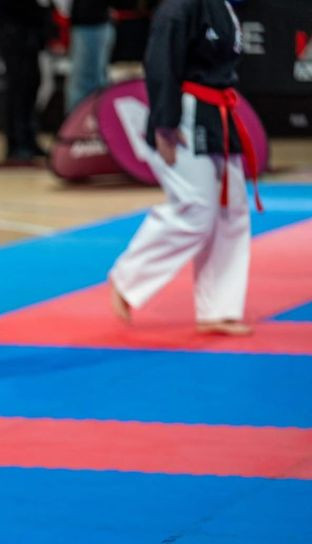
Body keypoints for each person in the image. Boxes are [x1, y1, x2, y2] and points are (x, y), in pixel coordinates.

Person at [108, 0, 260, 336]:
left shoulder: (222, 5)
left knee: (231, 211)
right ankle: (128, 276)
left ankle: (219, 308)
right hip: (184, 115)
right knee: (196, 207)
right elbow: (160, 64)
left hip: (218, 111)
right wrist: (165, 123)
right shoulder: (178, 7)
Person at [0, 0, 52, 162]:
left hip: (29, 31)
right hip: (13, 31)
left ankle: (29, 139)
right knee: (18, 88)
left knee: (31, 85)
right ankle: (16, 143)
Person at [65, 0, 115, 112]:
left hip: (92, 23)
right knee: (86, 84)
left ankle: (82, 120)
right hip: (89, 22)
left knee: (85, 85)